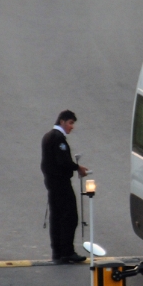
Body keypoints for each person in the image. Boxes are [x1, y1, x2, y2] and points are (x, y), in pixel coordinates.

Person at [41, 110, 88, 264]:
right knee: (69, 217)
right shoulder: (58, 138)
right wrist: (77, 167)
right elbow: (63, 161)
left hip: (52, 183)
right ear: (62, 121)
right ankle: (67, 252)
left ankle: (57, 252)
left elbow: (45, 164)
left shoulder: (47, 136)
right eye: (70, 123)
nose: (71, 127)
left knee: (56, 217)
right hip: (61, 184)